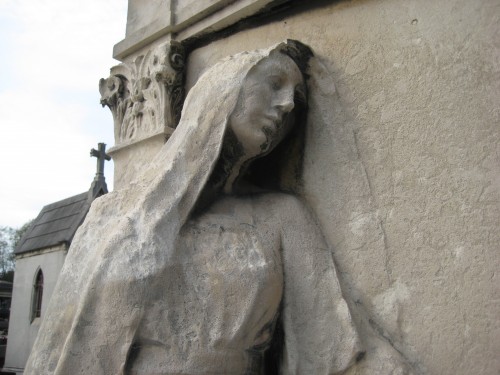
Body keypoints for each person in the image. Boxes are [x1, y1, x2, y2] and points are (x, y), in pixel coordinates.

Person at [25, 40, 361, 375]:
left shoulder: (283, 217)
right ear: (221, 92)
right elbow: (65, 347)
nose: (287, 104)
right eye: (274, 84)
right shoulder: (112, 216)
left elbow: (328, 346)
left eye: (296, 98)